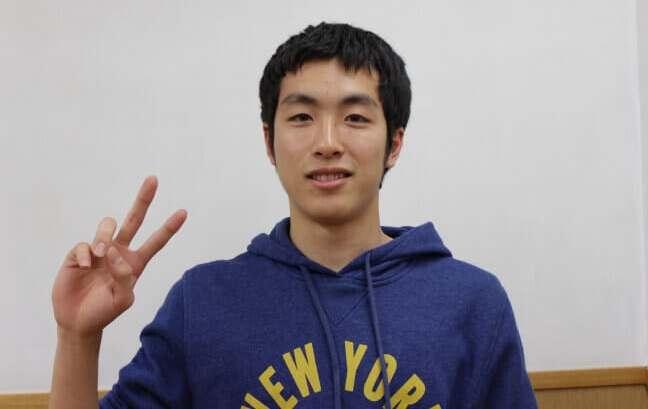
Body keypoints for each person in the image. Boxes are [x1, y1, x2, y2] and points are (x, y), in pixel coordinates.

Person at [50, 23, 538, 408]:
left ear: (394, 144)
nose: (327, 142)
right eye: (302, 117)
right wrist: (77, 337)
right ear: (269, 141)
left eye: (355, 118)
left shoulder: (472, 303)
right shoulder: (202, 302)